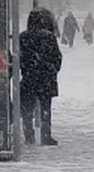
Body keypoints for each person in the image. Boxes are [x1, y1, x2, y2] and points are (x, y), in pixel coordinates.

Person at [19, 8, 62, 145]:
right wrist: (52, 70)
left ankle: (29, 135)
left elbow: (19, 58)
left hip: (29, 77)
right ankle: (45, 135)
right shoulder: (49, 37)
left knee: (27, 109)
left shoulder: (23, 37)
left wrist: (26, 68)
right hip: (46, 78)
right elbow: (57, 57)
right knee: (45, 108)